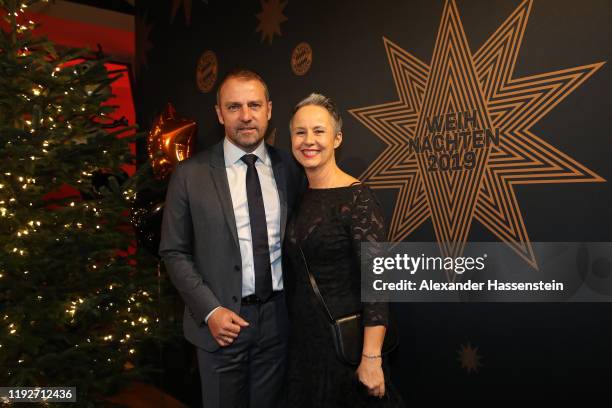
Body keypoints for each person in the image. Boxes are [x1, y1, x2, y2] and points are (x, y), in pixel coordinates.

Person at [159, 69, 304, 408]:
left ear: (269, 109)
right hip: (221, 327)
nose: (246, 115)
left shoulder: (290, 168)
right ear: (219, 113)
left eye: (254, 105)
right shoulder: (189, 175)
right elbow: (174, 251)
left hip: (278, 322)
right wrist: (210, 311)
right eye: (234, 106)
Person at [283, 93, 404, 407]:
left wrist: (372, 358)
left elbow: (377, 284)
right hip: (304, 348)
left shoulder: (359, 199)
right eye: (300, 132)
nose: (309, 140)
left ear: (337, 138)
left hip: (345, 351)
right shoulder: (299, 196)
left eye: (319, 131)